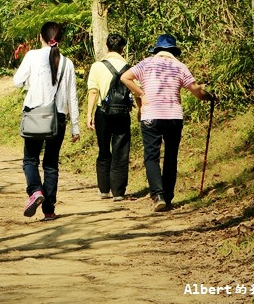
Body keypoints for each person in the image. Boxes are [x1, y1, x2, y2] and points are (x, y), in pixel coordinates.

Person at [120, 34, 215, 212]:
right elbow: (197, 91)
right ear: (173, 51)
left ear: (157, 50)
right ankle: (168, 197)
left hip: (151, 116)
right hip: (173, 117)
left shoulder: (146, 63)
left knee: (151, 156)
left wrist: (141, 94)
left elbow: (125, 77)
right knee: (171, 156)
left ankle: (158, 195)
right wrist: (210, 97)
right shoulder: (180, 66)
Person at [13, 21, 80, 221]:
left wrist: (31, 83)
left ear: (40, 37)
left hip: (35, 116)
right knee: (51, 164)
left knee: (30, 159)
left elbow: (17, 81)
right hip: (58, 118)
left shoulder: (32, 56)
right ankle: (49, 210)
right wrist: (75, 127)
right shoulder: (68, 63)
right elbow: (72, 96)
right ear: (59, 39)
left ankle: (35, 191)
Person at [86, 33, 132, 201]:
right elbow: (136, 91)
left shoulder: (97, 66)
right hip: (122, 113)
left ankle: (104, 189)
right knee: (121, 151)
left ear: (106, 47)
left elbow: (93, 91)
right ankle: (118, 192)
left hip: (102, 113)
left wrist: (88, 114)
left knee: (104, 149)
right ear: (122, 49)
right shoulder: (128, 67)